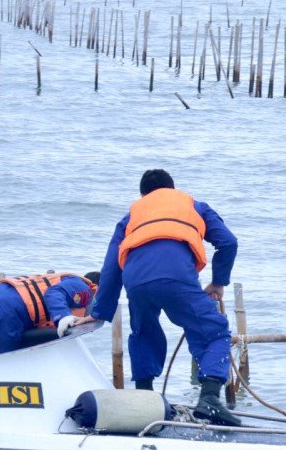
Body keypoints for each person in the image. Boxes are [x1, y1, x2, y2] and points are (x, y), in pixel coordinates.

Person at [74, 169, 241, 426]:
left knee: (143, 334)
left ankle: (145, 401)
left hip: (135, 280)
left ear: (143, 195)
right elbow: (228, 242)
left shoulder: (132, 215)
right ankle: (209, 399)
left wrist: (99, 312)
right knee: (215, 332)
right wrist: (218, 282)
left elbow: (111, 266)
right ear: (173, 189)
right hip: (176, 275)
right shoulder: (194, 206)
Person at [0, 271, 100, 357]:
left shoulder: (63, 279)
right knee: (1, 374)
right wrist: (64, 317)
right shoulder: (85, 290)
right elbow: (54, 293)